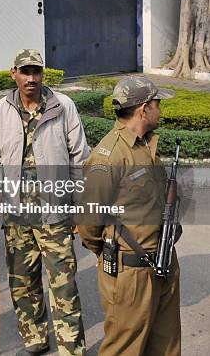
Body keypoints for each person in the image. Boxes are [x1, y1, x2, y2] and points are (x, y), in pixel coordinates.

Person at [0, 49, 88, 356]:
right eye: (25, 71)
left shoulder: (62, 106)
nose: (31, 78)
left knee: (64, 286)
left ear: (43, 74)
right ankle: (35, 340)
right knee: (23, 284)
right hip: (17, 214)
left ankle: (72, 349)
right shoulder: (0, 110)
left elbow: (79, 158)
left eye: (37, 72)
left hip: (54, 212)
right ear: (13, 72)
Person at [77, 75, 180, 356]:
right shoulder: (108, 156)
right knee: (124, 349)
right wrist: (108, 251)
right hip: (131, 272)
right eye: (158, 103)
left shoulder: (146, 145)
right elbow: (88, 221)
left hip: (162, 261)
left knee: (166, 346)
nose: (161, 109)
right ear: (143, 108)